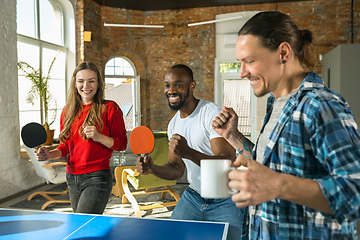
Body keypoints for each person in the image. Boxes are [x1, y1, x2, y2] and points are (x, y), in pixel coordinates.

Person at [212, 11, 360, 239]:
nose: (242, 72)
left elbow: (354, 192)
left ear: (283, 53)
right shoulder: (276, 102)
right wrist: (233, 136)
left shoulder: (321, 105)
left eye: (249, 61)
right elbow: (274, 165)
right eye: (240, 63)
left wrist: (281, 185)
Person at [135, 64, 246, 240]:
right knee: (170, 236)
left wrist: (189, 153)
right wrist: (152, 168)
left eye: (178, 84)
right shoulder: (173, 124)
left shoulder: (211, 114)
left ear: (192, 86)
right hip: (194, 197)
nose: (171, 90)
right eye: (167, 85)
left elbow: (226, 161)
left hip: (225, 199)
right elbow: (176, 168)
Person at [35, 61, 127, 214]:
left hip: (97, 178)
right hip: (72, 177)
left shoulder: (110, 108)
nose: (86, 85)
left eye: (91, 81)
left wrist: (99, 137)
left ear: (98, 83)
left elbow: (122, 144)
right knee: (81, 227)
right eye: (81, 81)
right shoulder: (67, 111)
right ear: (75, 83)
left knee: (83, 228)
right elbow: (65, 147)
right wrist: (49, 154)